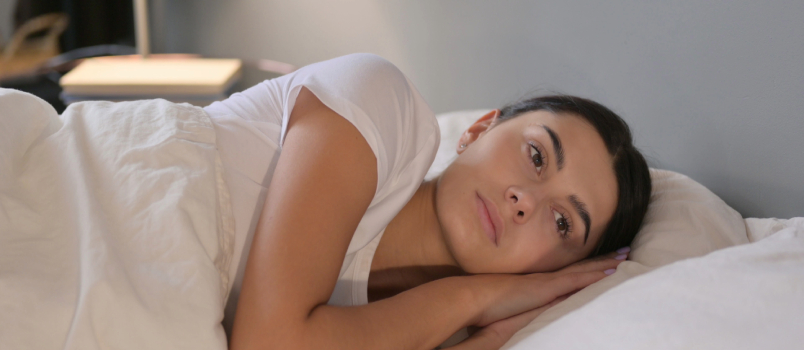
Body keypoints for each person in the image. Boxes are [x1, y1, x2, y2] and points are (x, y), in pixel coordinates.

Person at [204, 53, 651, 350]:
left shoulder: (437, 332)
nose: (524, 202)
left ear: (557, 271)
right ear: (478, 131)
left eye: (562, 222)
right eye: (536, 155)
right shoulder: (381, 104)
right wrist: (467, 296)